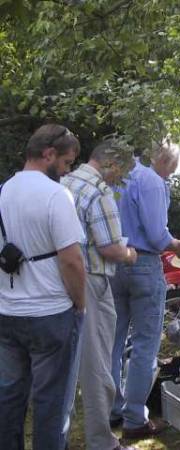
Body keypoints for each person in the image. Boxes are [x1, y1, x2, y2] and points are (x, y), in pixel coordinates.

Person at [0, 124, 86, 450]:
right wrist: (80, 303)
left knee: (8, 398)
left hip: (7, 314)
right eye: (65, 163)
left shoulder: (2, 192)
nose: (65, 172)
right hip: (50, 314)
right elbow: (72, 261)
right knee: (49, 403)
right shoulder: (56, 195)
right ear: (48, 154)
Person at [110, 140, 180, 440]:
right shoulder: (152, 181)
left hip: (114, 262)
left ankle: (113, 408)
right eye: (173, 167)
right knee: (145, 344)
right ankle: (134, 418)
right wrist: (178, 246)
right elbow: (158, 237)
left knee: (115, 341)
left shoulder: (121, 174)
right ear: (166, 161)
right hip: (143, 264)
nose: (171, 174)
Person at [62, 140, 139, 450]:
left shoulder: (65, 182)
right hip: (92, 280)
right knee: (96, 366)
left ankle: (58, 437)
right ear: (112, 164)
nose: (120, 177)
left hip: (60, 281)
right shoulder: (98, 191)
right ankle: (101, 441)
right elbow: (110, 248)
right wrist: (131, 254)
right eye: (122, 170)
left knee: (65, 365)